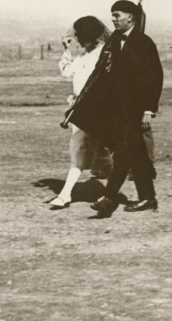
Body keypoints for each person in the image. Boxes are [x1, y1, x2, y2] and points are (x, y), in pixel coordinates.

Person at [91, 0, 163, 218]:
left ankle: (109, 198)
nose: (113, 19)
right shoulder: (113, 41)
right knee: (136, 155)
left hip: (135, 109)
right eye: (112, 15)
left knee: (123, 152)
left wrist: (148, 110)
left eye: (117, 15)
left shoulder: (144, 42)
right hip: (116, 109)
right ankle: (148, 198)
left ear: (131, 17)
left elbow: (154, 77)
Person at [49, 16, 113, 209]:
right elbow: (66, 71)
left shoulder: (106, 53)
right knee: (100, 154)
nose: (77, 39)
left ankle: (65, 195)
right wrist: (67, 50)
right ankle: (114, 191)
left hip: (96, 109)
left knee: (79, 150)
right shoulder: (84, 55)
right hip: (80, 108)